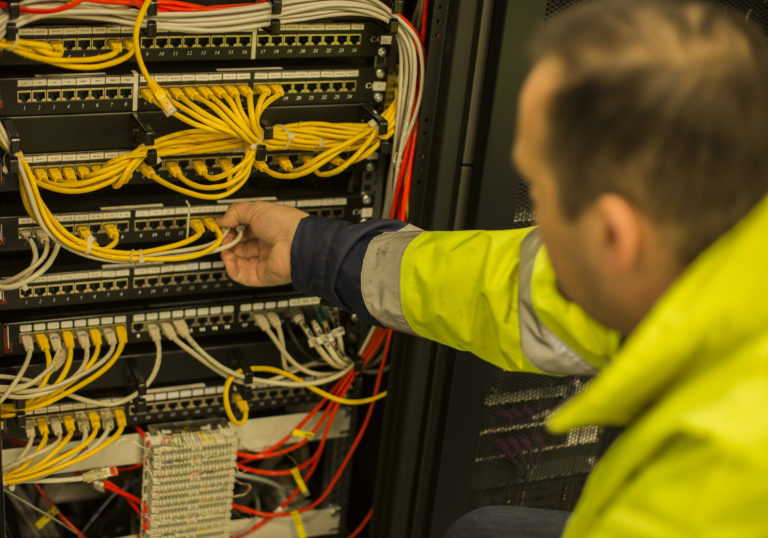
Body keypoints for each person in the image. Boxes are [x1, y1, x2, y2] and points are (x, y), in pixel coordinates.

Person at [218, 0, 768, 535]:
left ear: (612, 236)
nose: (535, 228)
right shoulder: (723, 254)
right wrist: (316, 250)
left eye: (540, 195)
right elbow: (524, 292)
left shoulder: (696, 491)